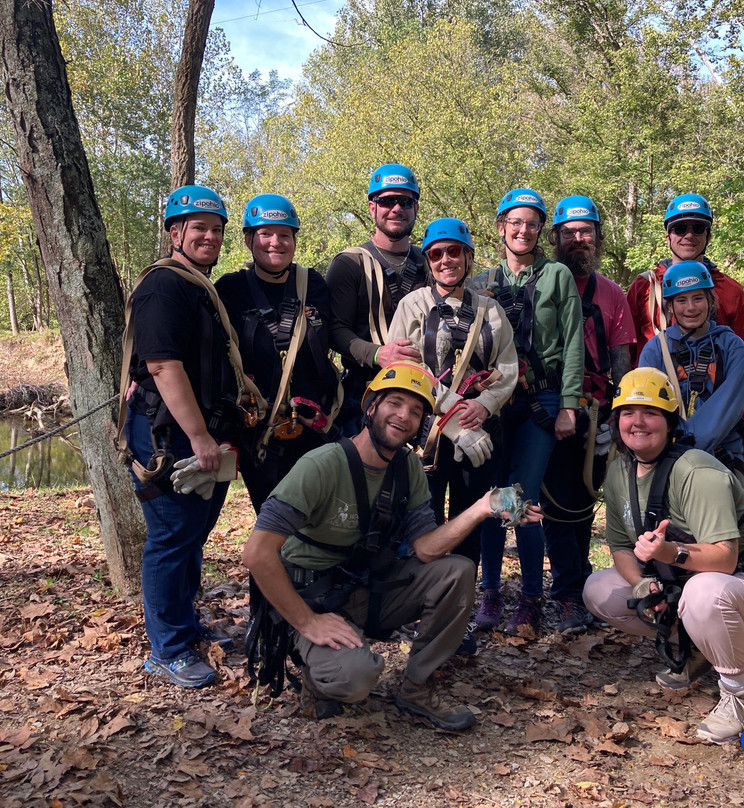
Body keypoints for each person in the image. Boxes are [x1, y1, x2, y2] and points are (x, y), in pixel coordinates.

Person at [241, 361, 542, 730]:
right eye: (395, 403)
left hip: (365, 589)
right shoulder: (321, 465)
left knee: (457, 571)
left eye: (416, 411)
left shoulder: (407, 467)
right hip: (310, 598)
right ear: (371, 407)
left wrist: (482, 507)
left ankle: (416, 688)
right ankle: (317, 672)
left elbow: (428, 550)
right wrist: (308, 622)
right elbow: (256, 553)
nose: (404, 416)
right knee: (354, 681)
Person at [582, 368, 744, 743]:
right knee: (599, 589)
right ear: (616, 423)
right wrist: (644, 585)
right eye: (628, 413)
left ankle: (738, 694)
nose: (638, 422)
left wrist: (669, 551)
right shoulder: (619, 471)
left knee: (706, 594)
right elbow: (620, 547)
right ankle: (694, 645)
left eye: (650, 413)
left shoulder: (697, 470)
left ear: (669, 423)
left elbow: (724, 560)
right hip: (683, 580)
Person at [118, 184, 259, 688]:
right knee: (171, 538)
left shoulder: (199, 285)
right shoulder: (165, 285)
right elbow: (161, 364)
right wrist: (198, 436)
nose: (209, 236)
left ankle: (183, 625)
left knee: (191, 536)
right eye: (198, 227)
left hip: (203, 431)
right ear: (175, 232)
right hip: (169, 435)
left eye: (217, 229)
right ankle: (168, 649)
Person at [387, 218, 519, 652]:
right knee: (420, 522)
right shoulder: (411, 306)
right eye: (437, 253)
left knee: (469, 523)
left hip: (480, 436)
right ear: (427, 260)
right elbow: (405, 369)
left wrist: (485, 406)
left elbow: (508, 368)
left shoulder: (490, 310)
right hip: (424, 437)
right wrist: (452, 418)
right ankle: (413, 611)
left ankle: (456, 617)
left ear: (467, 256)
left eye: (454, 252)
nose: (446, 260)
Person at [472, 188, 584, 635]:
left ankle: (533, 598)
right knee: (494, 496)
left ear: (540, 230)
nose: (523, 231)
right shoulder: (482, 281)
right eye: (514, 223)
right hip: (495, 402)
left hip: (543, 398)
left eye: (531, 224)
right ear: (501, 227)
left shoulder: (556, 276)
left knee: (525, 498)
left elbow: (573, 342)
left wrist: (570, 406)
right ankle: (492, 592)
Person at [540, 195, 635, 634]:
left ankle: (578, 590)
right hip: (552, 408)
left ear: (597, 236)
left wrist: (618, 416)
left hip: (596, 413)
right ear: (556, 237)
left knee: (583, 502)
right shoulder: (542, 284)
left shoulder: (612, 294)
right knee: (557, 502)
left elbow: (621, 360)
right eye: (569, 232)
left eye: (586, 231)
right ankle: (565, 594)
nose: (579, 239)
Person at [215, 193, 340, 513]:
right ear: (248, 240)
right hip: (260, 434)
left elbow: (333, 336)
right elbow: (212, 353)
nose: (276, 242)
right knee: (275, 522)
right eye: (266, 234)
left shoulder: (312, 283)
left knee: (318, 521)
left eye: (285, 234)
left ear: (295, 241)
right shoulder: (230, 290)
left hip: (313, 427)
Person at [625, 193, 744, 433]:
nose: (688, 235)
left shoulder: (729, 290)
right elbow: (627, 352)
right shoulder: (644, 287)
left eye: (698, 228)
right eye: (680, 228)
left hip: (716, 419)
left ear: (708, 236)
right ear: (668, 236)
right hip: (654, 415)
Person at [325, 164, 428, 435]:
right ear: (372, 208)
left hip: (422, 392)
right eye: (387, 201)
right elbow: (334, 329)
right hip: (364, 393)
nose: (396, 208)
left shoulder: (432, 262)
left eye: (405, 201)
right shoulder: (350, 263)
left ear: (416, 208)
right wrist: (377, 354)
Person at [637, 260, 744, 482]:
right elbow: (647, 406)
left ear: (710, 301)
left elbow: (729, 405)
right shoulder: (656, 349)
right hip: (665, 456)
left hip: (721, 456)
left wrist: (686, 449)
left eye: (698, 298)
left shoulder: (731, 347)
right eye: (681, 300)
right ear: (670, 306)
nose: (691, 307)